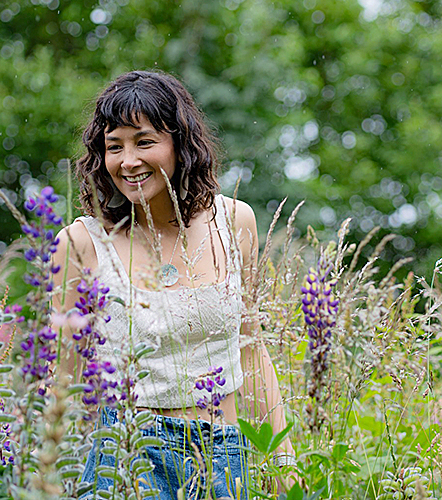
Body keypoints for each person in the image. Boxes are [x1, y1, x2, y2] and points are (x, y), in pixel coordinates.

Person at [52, 70, 295, 498]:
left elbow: (250, 349)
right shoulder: (81, 244)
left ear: (180, 144)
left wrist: (283, 460)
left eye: (144, 141)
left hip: (223, 456)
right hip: (123, 454)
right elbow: (62, 376)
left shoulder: (234, 223)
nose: (128, 161)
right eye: (115, 146)